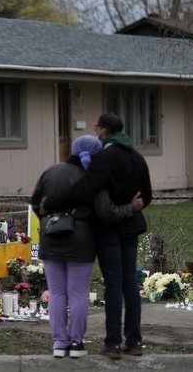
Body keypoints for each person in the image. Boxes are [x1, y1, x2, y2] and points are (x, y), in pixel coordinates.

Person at [40, 113, 152, 359]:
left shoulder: (104, 159)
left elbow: (82, 190)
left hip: (109, 230)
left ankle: (112, 343)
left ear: (104, 132)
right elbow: (148, 196)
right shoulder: (137, 158)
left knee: (113, 283)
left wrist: (52, 203)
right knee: (130, 283)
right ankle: (134, 341)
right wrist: (130, 208)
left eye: (98, 130)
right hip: (131, 228)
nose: (97, 133)